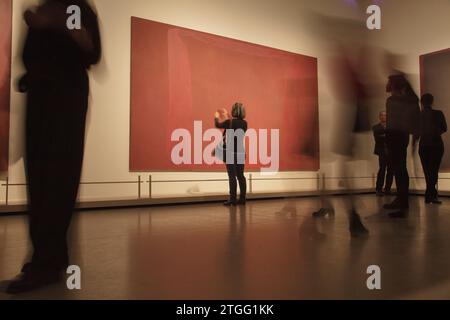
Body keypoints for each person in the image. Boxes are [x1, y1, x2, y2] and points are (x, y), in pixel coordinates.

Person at [6, 0, 101, 294]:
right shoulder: (45, 8)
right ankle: (47, 258)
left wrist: (56, 23)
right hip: (40, 96)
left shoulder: (77, 8)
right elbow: (28, 56)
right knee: (38, 177)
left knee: (58, 177)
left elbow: (92, 51)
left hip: (66, 97)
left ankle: (47, 262)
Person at [383, 75, 420, 218]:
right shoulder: (405, 99)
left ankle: (402, 202)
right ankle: (401, 200)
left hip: (396, 137)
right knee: (400, 169)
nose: (387, 84)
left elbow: (393, 123)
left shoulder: (394, 100)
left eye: (389, 82)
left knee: (399, 170)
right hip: (399, 137)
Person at [215, 103, 248, 206]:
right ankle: (242, 199)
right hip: (241, 152)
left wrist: (216, 117)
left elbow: (218, 125)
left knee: (232, 176)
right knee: (241, 176)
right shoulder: (245, 123)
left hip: (230, 152)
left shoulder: (230, 122)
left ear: (234, 110)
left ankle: (232, 199)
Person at [419, 93, 447, 204]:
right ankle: (431, 194)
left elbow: (415, 131)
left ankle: (430, 194)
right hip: (436, 144)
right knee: (434, 170)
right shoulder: (438, 114)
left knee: (427, 171)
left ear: (422, 102)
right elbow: (444, 128)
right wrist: (435, 133)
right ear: (432, 101)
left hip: (424, 145)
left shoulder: (419, 115)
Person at [373, 111, 394, 196]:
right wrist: (387, 136)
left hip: (391, 151)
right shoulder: (376, 127)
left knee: (390, 170)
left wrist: (384, 136)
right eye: (382, 115)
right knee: (382, 169)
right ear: (379, 117)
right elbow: (378, 138)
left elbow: (391, 138)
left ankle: (387, 189)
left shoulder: (391, 127)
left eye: (385, 115)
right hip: (382, 151)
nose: (383, 117)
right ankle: (378, 189)